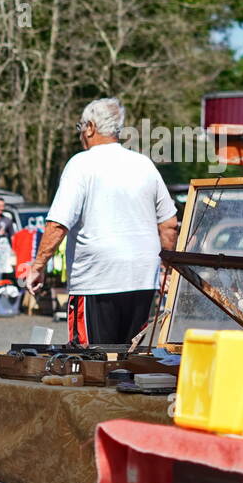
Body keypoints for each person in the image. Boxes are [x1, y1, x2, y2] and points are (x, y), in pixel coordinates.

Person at [28, 98, 179, 345]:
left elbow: (58, 223)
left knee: (90, 362)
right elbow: (169, 224)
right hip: (142, 277)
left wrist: (37, 266)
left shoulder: (81, 163)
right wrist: (169, 269)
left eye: (80, 128)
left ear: (90, 127)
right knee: (128, 361)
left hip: (97, 279)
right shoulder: (144, 165)